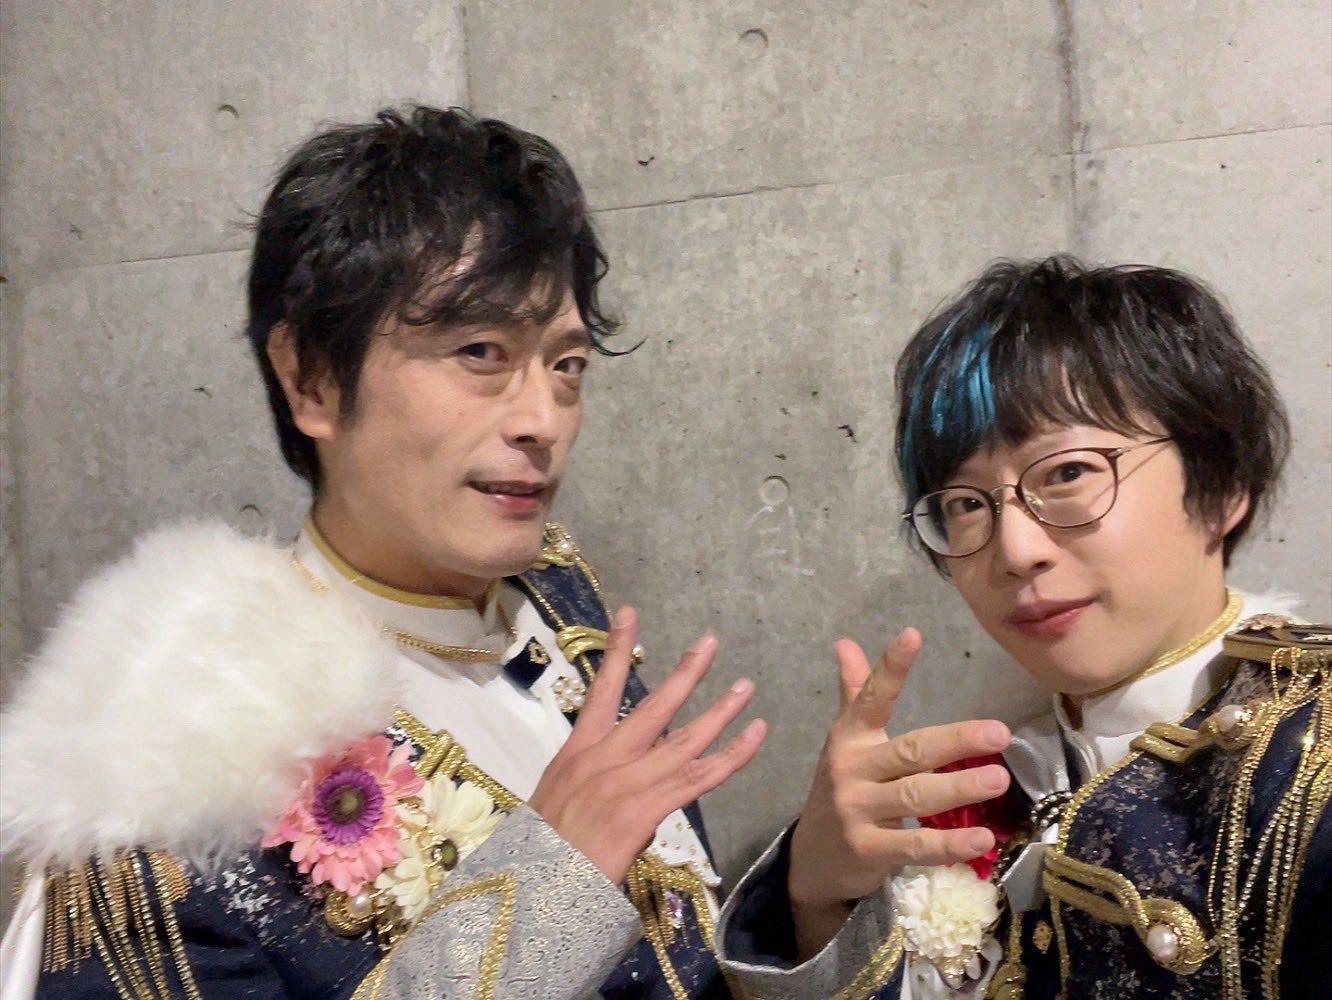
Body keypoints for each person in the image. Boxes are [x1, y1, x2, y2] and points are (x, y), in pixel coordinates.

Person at [0, 106, 1007, 999]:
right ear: (311, 379)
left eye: (565, 364)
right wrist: (546, 892)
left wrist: (809, 890)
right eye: (479, 352)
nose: (543, 418)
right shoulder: (164, 779)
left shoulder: (557, 604)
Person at [719, 255, 1329, 998]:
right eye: (966, 504)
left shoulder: (1308, 772)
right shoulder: (987, 782)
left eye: (1068, 473)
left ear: (1222, 486)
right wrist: (814, 897)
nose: (1014, 550)